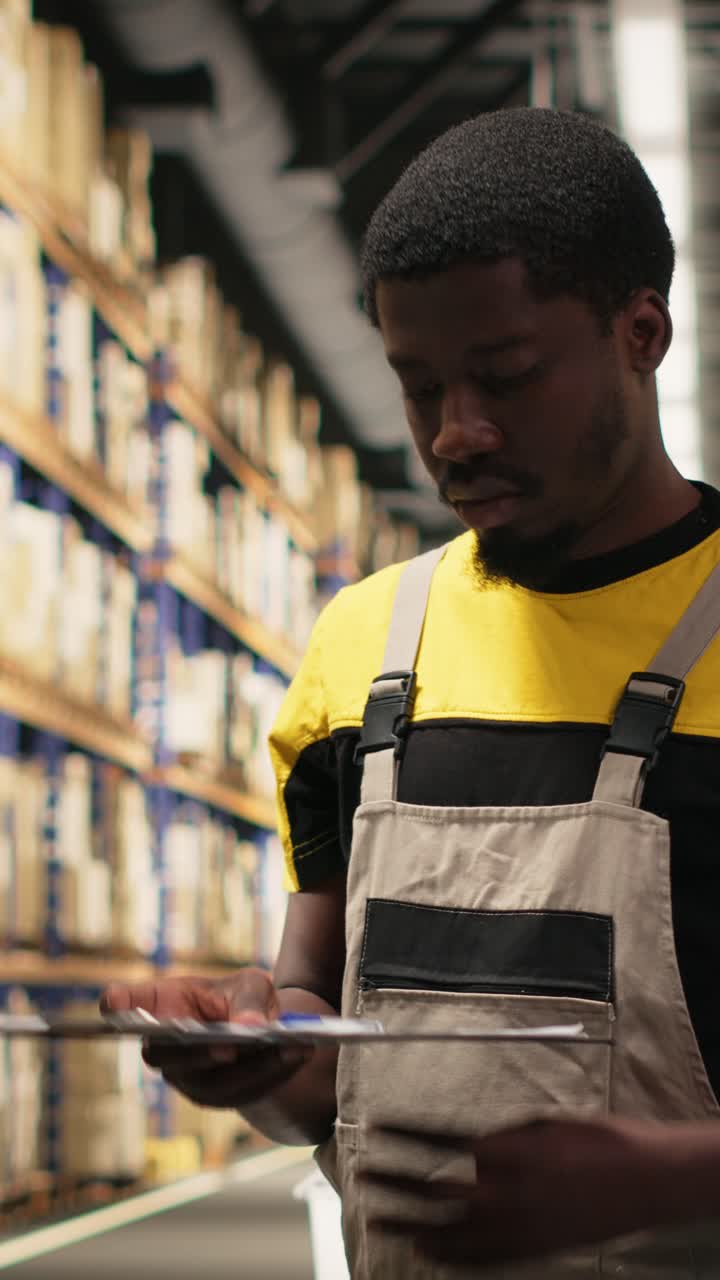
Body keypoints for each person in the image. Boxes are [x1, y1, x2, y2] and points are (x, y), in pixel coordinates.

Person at [103, 107, 720, 1276]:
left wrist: (668, 1180)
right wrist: (254, 1050)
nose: (456, 433)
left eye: (506, 377)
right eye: (418, 384)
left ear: (641, 333)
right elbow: (327, 1070)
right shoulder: (363, 648)